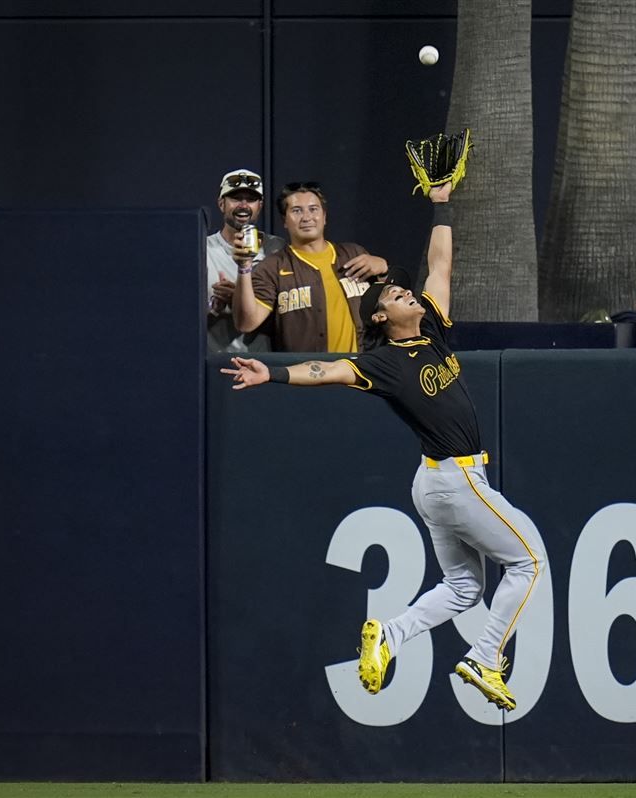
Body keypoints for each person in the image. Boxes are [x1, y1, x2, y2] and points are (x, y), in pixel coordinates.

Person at [221, 183, 545, 712]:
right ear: (378, 318)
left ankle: (390, 636)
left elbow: (440, 265)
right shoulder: (385, 363)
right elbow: (326, 369)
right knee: (529, 562)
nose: (405, 293)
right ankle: (485, 659)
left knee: (464, 587)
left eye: (403, 291)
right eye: (394, 296)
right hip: (454, 480)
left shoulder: (432, 332)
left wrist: (441, 203)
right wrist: (273, 374)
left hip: (438, 481)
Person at [231, 181, 392, 353]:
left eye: (313, 209)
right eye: (297, 210)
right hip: (307, 374)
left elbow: (394, 305)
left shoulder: (354, 254)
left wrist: (384, 269)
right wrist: (244, 268)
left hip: (360, 372)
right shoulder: (273, 267)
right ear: (284, 220)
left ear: (324, 216)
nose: (307, 217)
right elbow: (246, 323)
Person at [207, 169, 285, 353]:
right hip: (213, 358)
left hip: (263, 361)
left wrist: (239, 299)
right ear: (221, 204)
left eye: (250, 199)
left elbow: (289, 311)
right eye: (235, 198)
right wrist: (213, 306)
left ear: (260, 205)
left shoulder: (276, 248)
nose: (243, 205)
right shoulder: (203, 249)